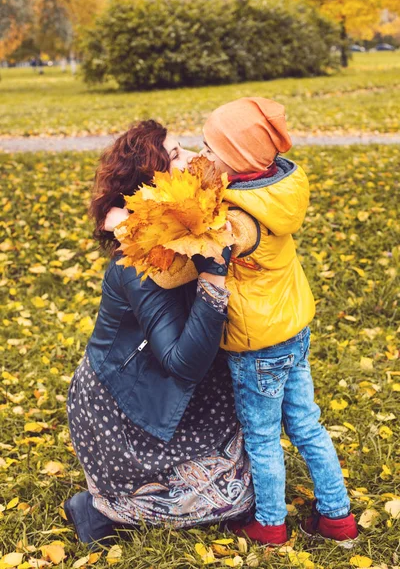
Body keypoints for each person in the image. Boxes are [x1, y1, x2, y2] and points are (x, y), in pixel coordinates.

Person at [65, 120, 254, 549]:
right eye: (175, 156)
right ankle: (98, 512)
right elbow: (181, 363)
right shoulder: (137, 262)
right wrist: (213, 277)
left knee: (242, 497)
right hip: (129, 408)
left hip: (193, 393)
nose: (192, 161)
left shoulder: (192, 224)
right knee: (229, 504)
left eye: (185, 149)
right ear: (151, 187)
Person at [197, 97, 358, 547]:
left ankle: (270, 524)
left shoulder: (236, 220)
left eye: (210, 149)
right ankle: (337, 517)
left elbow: (189, 255)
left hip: (258, 342)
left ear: (235, 159)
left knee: (264, 437)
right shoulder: (274, 191)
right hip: (292, 326)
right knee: (307, 425)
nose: (203, 156)